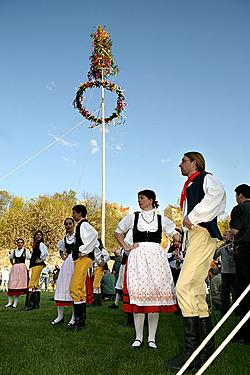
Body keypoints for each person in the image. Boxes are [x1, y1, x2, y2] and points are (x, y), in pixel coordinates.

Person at [167, 151, 226, 370]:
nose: (179, 164)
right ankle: (205, 350)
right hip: (195, 236)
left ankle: (192, 353)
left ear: (194, 163)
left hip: (202, 233)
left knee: (183, 287)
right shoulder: (190, 186)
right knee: (196, 290)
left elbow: (217, 195)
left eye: (183, 161)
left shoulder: (205, 178)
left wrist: (192, 216)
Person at [115, 189, 180, 350]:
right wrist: (127, 247)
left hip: (156, 259)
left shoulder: (161, 219)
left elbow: (176, 235)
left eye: (142, 198)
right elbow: (118, 232)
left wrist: (184, 235)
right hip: (137, 258)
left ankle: (151, 338)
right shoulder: (133, 217)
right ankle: (138, 337)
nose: (139, 201)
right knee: (138, 298)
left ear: (151, 199)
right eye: (138, 198)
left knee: (154, 300)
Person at [69, 204, 99, 331]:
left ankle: (79, 321)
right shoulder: (81, 226)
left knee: (75, 287)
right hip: (80, 259)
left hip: (83, 258)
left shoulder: (84, 225)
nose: (73, 215)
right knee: (79, 288)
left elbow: (94, 235)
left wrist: (84, 250)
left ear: (80, 213)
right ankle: (80, 321)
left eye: (74, 213)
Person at [229, 183, 250, 344]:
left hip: (245, 251)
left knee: (244, 292)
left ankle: (245, 334)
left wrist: (227, 234)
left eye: (236, 196)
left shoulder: (240, 209)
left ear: (240, 196)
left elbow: (235, 231)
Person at [52, 218, 75, 326]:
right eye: (66, 224)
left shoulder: (78, 237)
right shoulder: (64, 239)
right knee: (61, 286)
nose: (68, 226)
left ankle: (73, 317)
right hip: (67, 264)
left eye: (70, 224)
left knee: (74, 288)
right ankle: (59, 316)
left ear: (73, 225)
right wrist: (64, 257)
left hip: (76, 263)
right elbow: (61, 250)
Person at [214, 232, 237, 315]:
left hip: (234, 272)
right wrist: (221, 246)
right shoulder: (222, 246)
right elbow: (215, 255)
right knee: (224, 292)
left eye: (226, 235)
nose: (225, 237)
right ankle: (224, 311)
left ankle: (237, 310)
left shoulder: (236, 244)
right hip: (225, 272)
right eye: (224, 235)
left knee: (235, 292)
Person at [25, 230, 48, 310]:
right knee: (36, 283)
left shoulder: (41, 244)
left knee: (32, 282)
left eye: (40, 235)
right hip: (35, 264)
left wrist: (41, 259)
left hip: (37, 264)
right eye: (37, 235)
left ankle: (29, 304)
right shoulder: (35, 244)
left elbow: (45, 253)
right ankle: (36, 304)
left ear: (42, 237)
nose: (38, 236)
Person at [5, 239, 31, 308]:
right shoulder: (14, 251)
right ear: (17, 244)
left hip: (22, 268)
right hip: (15, 268)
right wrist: (12, 264)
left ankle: (15, 303)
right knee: (11, 284)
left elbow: (29, 258)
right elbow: (11, 258)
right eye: (18, 243)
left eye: (21, 243)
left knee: (18, 285)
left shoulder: (26, 251)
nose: (19, 244)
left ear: (23, 244)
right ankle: (9, 302)